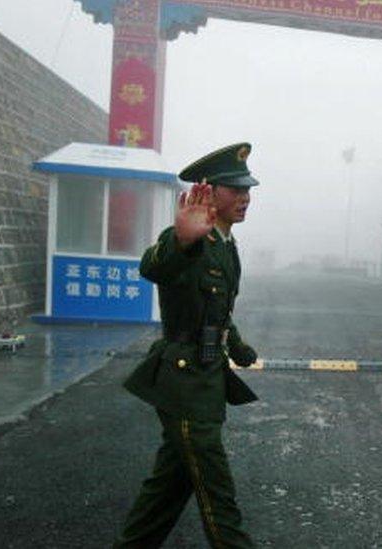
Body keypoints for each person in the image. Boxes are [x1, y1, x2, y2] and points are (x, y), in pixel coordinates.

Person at [114, 143, 262, 548]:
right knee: (217, 493)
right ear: (209, 192)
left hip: (207, 380)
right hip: (184, 383)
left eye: (247, 189)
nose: (245, 197)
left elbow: (216, 310)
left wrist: (240, 347)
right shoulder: (189, 240)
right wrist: (181, 241)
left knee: (168, 488)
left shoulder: (226, 245)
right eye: (235, 189)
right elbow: (154, 266)